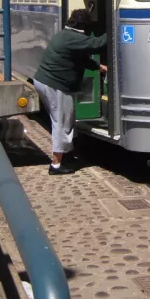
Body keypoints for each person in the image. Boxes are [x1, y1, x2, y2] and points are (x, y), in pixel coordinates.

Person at [33, 9, 107, 175]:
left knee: (67, 118)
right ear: (85, 25)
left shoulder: (65, 34)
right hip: (55, 84)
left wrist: (98, 67)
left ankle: (67, 154)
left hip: (45, 81)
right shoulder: (74, 38)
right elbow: (98, 44)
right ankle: (56, 164)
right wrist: (119, 28)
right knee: (61, 122)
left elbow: (79, 58)